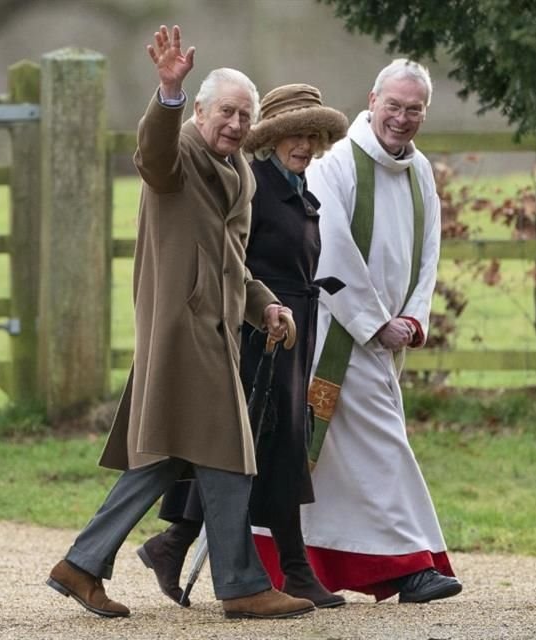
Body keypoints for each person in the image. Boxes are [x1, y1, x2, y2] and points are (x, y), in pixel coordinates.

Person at [45, 25, 314, 621]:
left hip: (216, 331)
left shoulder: (240, 171)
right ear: (199, 110)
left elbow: (233, 263)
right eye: (226, 112)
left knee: (168, 458)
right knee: (230, 455)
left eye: (245, 115)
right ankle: (242, 584)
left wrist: (265, 303)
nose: (236, 124)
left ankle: (82, 564)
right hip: (181, 332)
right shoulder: (181, 152)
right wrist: (165, 92)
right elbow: (152, 154)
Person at [256, 59, 464, 604]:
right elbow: (333, 250)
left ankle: (285, 562)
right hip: (336, 334)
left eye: (413, 109)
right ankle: (410, 565)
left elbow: (429, 251)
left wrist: (414, 318)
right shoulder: (338, 163)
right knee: (382, 445)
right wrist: (375, 323)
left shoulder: (420, 171)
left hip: (387, 336)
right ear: (372, 100)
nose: (402, 118)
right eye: (393, 105)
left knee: (329, 464)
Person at [136, 84, 349, 609]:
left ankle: (174, 542)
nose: (306, 144)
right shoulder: (253, 183)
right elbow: (232, 259)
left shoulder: (295, 185)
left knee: (265, 446)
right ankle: (286, 570)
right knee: (256, 447)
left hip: (292, 325)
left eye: (314, 135)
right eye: (296, 134)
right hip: (254, 334)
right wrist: (257, 311)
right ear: (272, 138)